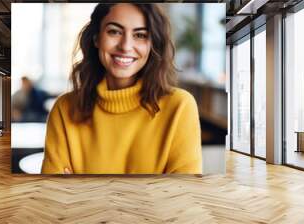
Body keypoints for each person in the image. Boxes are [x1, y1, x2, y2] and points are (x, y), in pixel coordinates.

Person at [41, 3, 202, 174]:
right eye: (114, 31)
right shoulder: (64, 109)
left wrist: (81, 189)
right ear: (96, 38)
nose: (125, 46)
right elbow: (54, 196)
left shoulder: (179, 106)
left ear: (152, 44)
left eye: (140, 35)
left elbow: (182, 197)